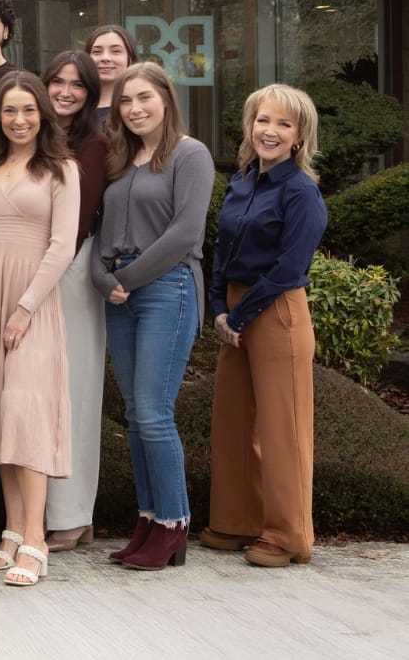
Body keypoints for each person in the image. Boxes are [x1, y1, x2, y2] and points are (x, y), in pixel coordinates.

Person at [0, 72, 80, 587]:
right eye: (10, 111)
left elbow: (62, 246)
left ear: (43, 114)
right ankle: (11, 528)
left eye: (29, 110)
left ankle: (36, 538)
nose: (20, 119)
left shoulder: (61, 169)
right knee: (0, 417)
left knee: (26, 413)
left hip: (32, 303)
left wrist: (26, 307)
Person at [90, 62, 215, 572]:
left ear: (166, 98)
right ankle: (147, 518)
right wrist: (103, 276)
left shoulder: (190, 154)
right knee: (137, 417)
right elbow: (101, 229)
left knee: (154, 411)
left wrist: (129, 278)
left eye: (145, 98)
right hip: (121, 292)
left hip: (167, 288)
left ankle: (174, 522)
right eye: (126, 101)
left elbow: (186, 234)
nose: (136, 108)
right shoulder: (122, 160)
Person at [202, 84, 326, 569]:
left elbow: (291, 267)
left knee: (282, 428)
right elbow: (221, 249)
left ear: (299, 137)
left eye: (283, 124)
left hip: (276, 311)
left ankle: (288, 536)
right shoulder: (242, 181)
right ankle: (237, 522)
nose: (269, 131)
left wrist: (242, 314)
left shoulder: (301, 192)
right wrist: (218, 308)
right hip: (234, 310)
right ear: (250, 126)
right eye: (262, 120)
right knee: (231, 421)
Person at [39, 50, 111, 552]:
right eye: (57, 81)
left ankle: (73, 514)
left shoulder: (94, 145)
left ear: (90, 93)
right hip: (32, 272)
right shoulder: (33, 135)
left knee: (75, 394)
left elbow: (78, 219)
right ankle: (47, 512)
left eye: (77, 84)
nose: (65, 91)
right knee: (39, 398)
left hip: (72, 271)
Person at [87, 25, 138, 125]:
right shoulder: (75, 104)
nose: (105, 58)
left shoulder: (140, 108)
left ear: (130, 58)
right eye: (97, 52)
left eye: (116, 51)